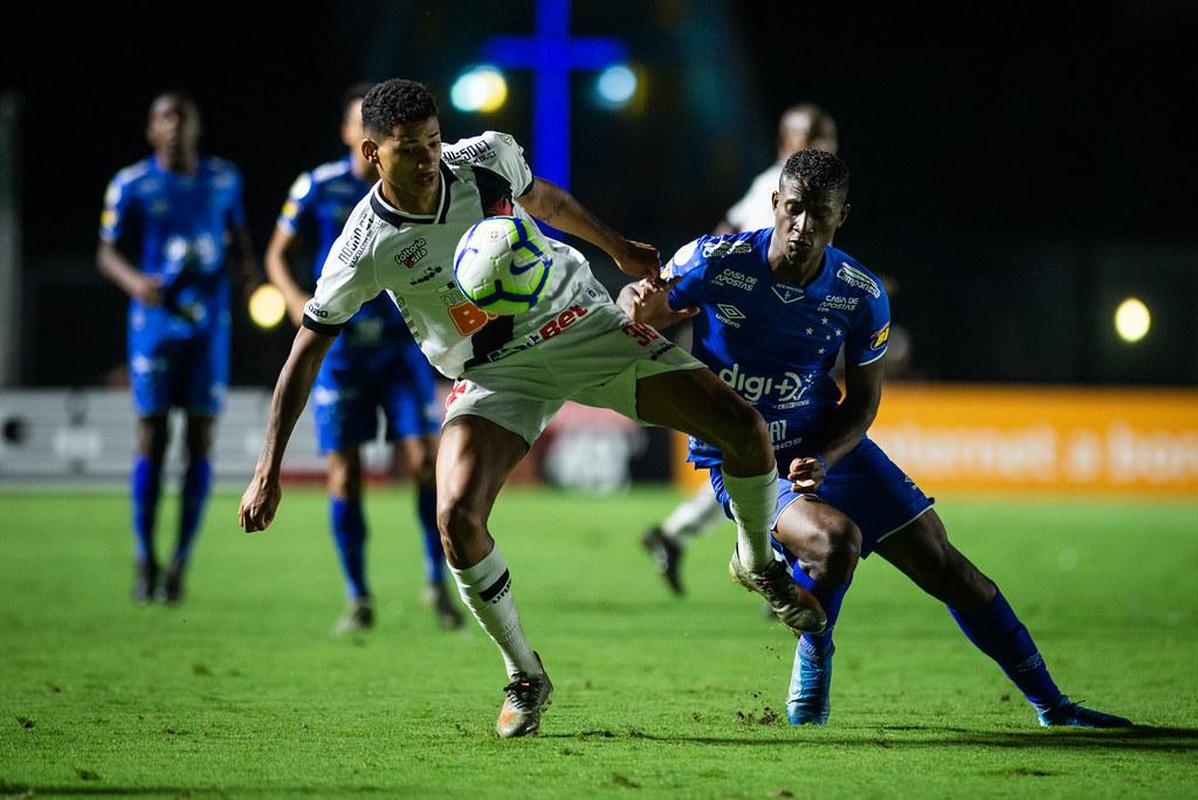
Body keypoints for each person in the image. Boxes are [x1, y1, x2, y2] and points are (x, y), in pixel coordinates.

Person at [237, 78, 823, 738]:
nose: (430, 158)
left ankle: (756, 561)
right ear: (372, 153)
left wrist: (618, 248)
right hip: (493, 374)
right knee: (456, 516)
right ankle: (525, 675)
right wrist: (268, 469)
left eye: (432, 141)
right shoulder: (363, 245)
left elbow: (544, 198)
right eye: (409, 150)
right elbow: (305, 353)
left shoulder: (481, 157)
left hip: (579, 325)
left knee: (743, 427)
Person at [620, 149, 1133, 729]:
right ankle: (813, 654)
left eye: (819, 213)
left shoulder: (859, 294)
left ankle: (1054, 707)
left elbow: (863, 403)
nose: (803, 227)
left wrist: (825, 455)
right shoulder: (716, 261)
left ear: (842, 216)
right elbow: (636, 311)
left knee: (951, 569)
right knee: (834, 542)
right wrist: (632, 302)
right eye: (793, 210)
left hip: (824, 446)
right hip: (742, 454)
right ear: (774, 204)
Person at [264, 85, 462, 633]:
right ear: (357, 137)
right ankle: (357, 596)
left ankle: (435, 583)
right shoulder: (319, 187)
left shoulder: (419, 185)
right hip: (343, 352)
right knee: (346, 475)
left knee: (424, 462)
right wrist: (291, 299)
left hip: (399, 347)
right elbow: (276, 253)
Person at [642, 103, 840, 594]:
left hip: (773, 342)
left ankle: (682, 537)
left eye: (826, 135)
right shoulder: (777, 191)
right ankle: (772, 560)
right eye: (808, 137)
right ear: (784, 147)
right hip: (745, 345)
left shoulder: (814, 192)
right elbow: (736, 247)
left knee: (760, 456)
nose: (820, 145)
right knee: (759, 454)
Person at [98, 91, 259, 605]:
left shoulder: (224, 179)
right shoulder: (132, 183)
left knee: (199, 444)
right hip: (155, 325)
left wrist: (251, 277)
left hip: (209, 326)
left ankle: (181, 562)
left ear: (196, 126)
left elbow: (240, 241)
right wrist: (135, 282)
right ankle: (145, 557)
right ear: (151, 131)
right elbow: (106, 251)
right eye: (164, 118)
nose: (173, 126)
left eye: (182, 117)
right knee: (153, 438)